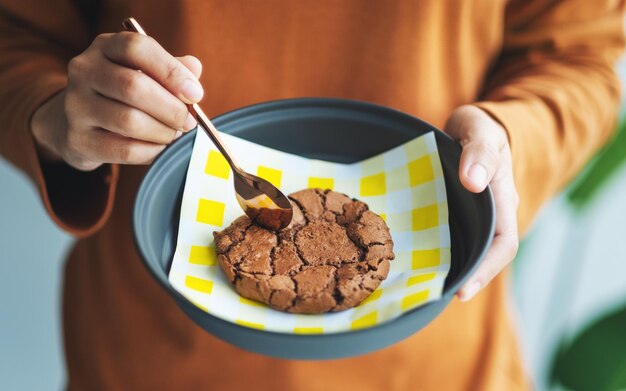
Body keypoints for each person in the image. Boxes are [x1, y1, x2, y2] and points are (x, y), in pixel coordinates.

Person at [0, 1, 623, 389]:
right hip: (150, 348)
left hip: (434, 354)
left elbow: (582, 53)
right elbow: (16, 35)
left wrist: (511, 140)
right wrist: (53, 114)